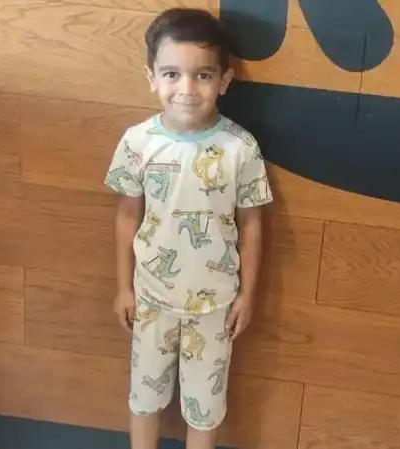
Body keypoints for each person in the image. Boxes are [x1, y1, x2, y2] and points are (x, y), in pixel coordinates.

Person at [102, 8, 273, 449]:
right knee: (145, 399)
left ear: (225, 80)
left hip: (215, 306)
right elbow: (127, 216)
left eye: (203, 75)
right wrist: (123, 287)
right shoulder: (137, 142)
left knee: (205, 407)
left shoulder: (240, 148)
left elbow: (252, 223)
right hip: (151, 300)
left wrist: (248, 294)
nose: (186, 89)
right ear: (152, 78)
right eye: (172, 74)